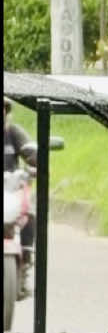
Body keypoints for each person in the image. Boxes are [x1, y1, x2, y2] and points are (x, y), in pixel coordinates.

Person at [4, 98, 38, 277]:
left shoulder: (13, 132)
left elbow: (32, 153)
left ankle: (26, 255)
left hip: (10, 190)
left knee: (28, 212)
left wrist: (36, 162)